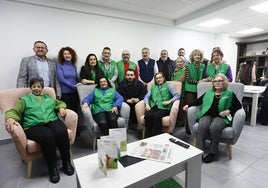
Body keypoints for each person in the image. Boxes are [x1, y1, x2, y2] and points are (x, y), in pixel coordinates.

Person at [5, 77, 74, 183]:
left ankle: (66, 163)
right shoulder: (24, 100)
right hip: (33, 126)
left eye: (39, 86)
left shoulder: (48, 97)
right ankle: (53, 169)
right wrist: (9, 118)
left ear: (42, 88)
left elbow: (59, 103)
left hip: (51, 121)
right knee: (48, 136)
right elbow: (13, 111)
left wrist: (61, 108)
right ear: (30, 88)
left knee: (61, 131)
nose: (36, 88)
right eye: (34, 86)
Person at [183, 74, 242, 163]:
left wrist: (228, 111)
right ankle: (199, 151)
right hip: (208, 114)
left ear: (224, 82)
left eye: (220, 81)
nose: (217, 82)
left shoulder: (229, 93)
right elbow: (198, 101)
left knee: (215, 127)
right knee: (202, 125)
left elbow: (238, 105)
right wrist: (188, 105)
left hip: (221, 116)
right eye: (215, 81)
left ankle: (212, 152)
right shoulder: (209, 92)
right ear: (213, 83)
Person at [143, 72, 179, 138]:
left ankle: (157, 137)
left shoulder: (168, 85)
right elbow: (146, 97)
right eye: (157, 78)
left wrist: (169, 101)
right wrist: (147, 104)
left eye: (160, 77)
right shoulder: (153, 87)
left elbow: (177, 95)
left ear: (163, 78)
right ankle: (147, 136)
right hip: (154, 106)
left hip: (164, 107)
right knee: (147, 115)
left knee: (157, 116)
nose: (158, 79)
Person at [184, 49, 207, 134]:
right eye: (195, 55)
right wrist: (199, 82)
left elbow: (205, 78)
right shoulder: (188, 66)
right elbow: (188, 79)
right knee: (189, 109)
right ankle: (188, 128)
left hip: (200, 90)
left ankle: (197, 127)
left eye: (199, 55)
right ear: (192, 57)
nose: (197, 56)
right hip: (190, 90)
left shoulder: (203, 66)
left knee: (199, 109)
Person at [56, 46, 81, 113]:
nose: (67, 55)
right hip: (65, 93)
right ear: (62, 55)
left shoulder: (73, 65)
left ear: (72, 55)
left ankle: (76, 123)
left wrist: (79, 84)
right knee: (68, 112)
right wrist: (73, 86)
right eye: (65, 54)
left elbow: (76, 78)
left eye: (69, 54)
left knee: (75, 111)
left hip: (75, 92)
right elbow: (61, 79)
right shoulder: (59, 65)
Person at [171, 57, 186, 126]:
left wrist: (170, 83)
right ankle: (176, 121)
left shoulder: (184, 70)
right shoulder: (175, 69)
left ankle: (182, 122)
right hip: (174, 91)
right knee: (175, 106)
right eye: (178, 62)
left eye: (181, 62)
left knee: (181, 107)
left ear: (183, 63)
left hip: (181, 90)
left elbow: (181, 79)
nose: (179, 63)